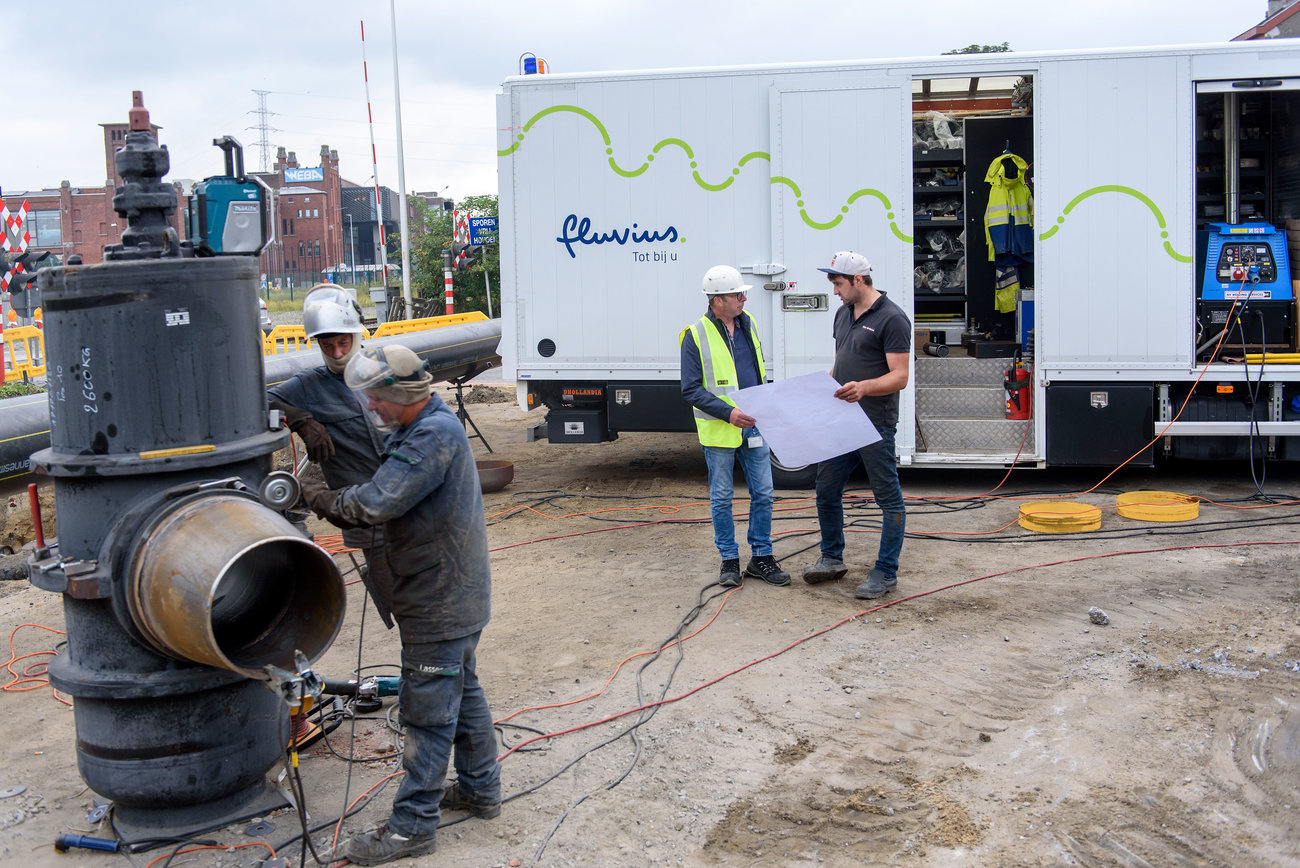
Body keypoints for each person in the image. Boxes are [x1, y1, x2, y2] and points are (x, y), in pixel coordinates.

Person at [299, 345, 501, 866]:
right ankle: (481, 790)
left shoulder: (431, 436)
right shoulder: (424, 427)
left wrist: (318, 494)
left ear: (400, 395)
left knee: (428, 712)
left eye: (375, 401)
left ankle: (412, 829)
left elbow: (373, 503)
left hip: (440, 599)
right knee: (465, 689)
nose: (372, 410)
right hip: (454, 592)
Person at [267, 285, 394, 628]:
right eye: (327, 346)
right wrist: (300, 419)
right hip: (366, 515)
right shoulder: (310, 386)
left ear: (357, 334)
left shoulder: (387, 367)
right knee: (396, 598)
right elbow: (259, 400)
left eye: (343, 343)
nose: (337, 353)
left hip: (412, 505)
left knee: (429, 596)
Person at [801, 251, 910, 600]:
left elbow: (900, 377)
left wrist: (863, 388)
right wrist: (824, 389)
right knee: (826, 488)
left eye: (838, 283)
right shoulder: (843, 314)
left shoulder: (892, 319)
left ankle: (886, 571)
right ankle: (831, 558)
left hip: (874, 421)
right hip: (842, 419)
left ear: (858, 280)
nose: (834, 291)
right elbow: (841, 362)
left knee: (887, 497)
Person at [679, 264, 790, 589]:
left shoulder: (748, 324)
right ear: (717, 301)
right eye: (736, 294)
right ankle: (729, 561)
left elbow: (756, 373)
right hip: (720, 430)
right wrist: (729, 414)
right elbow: (691, 389)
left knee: (764, 494)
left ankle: (761, 557)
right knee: (722, 497)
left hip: (754, 426)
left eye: (742, 293)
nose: (743, 298)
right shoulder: (694, 336)